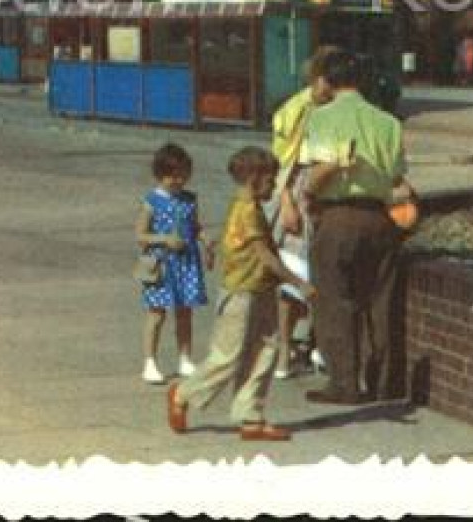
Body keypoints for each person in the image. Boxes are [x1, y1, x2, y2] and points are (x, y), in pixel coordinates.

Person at [166, 147, 315, 443]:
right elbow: (265, 256)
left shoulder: (254, 208)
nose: (274, 187)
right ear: (254, 178)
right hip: (240, 292)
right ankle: (184, 393)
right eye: (271, 180)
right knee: (229, 355)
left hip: (260, 288)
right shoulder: (246, 211)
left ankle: (251, 416)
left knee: (265, 351)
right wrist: (298, 283)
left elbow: (268, 252)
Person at [301, 49, 411, 405]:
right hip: (379, 219)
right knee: (380, 302)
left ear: (328, 82)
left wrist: (308, 194)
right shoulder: (389, 123)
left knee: (334, 301)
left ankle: (344, 383)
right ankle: (385, 382)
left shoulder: (321, 119)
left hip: (337, 216)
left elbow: (318, 171)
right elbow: (397, 179)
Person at [268, 45, 340, 379]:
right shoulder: (295, 109)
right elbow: (280, 163)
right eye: (329, 80)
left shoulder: (339, 106)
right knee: (292, 276)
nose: (333, 87)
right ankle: (284, 349)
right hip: (297, 192)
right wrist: (286, 203)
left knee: (322, 273)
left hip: (327, 194)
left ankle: (316, 344)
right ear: (316, 78)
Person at [137, 143, 214, 385]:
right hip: (160, 264)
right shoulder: (151, 201)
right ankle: (150, 361)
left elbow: (194, 225)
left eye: (183, 175)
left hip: (186, 262)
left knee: (185, 313)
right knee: (157, 313)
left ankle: (185, 358)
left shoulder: (189, 199)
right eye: (173, 175)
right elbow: (140, 235)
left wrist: (204, 239)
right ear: (160, 175)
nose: (179, 180)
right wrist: (164, 240)